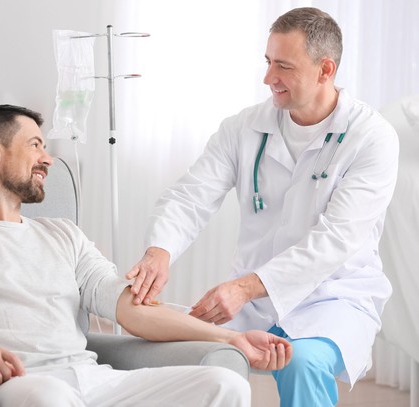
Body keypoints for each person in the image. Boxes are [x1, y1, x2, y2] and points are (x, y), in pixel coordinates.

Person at [0, 105, 293, 407]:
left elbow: (133, 310)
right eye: (34, 145)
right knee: (50, 399)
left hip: (93, 379)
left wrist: (231, 338)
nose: (47, 158)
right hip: (27, 385)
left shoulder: (63, 235)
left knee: (223, 386)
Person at [126, 7, 398, 407]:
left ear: (325, 69)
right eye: (268, 62)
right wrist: (159, 250)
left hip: (332, 297)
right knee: (198, 357)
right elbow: (191, 195)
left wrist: (241, 288)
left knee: (300, 361)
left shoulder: (371, 138)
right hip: (252, 303)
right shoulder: (243, 128)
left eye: (283, 66)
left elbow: (337, 239)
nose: (268, 78)